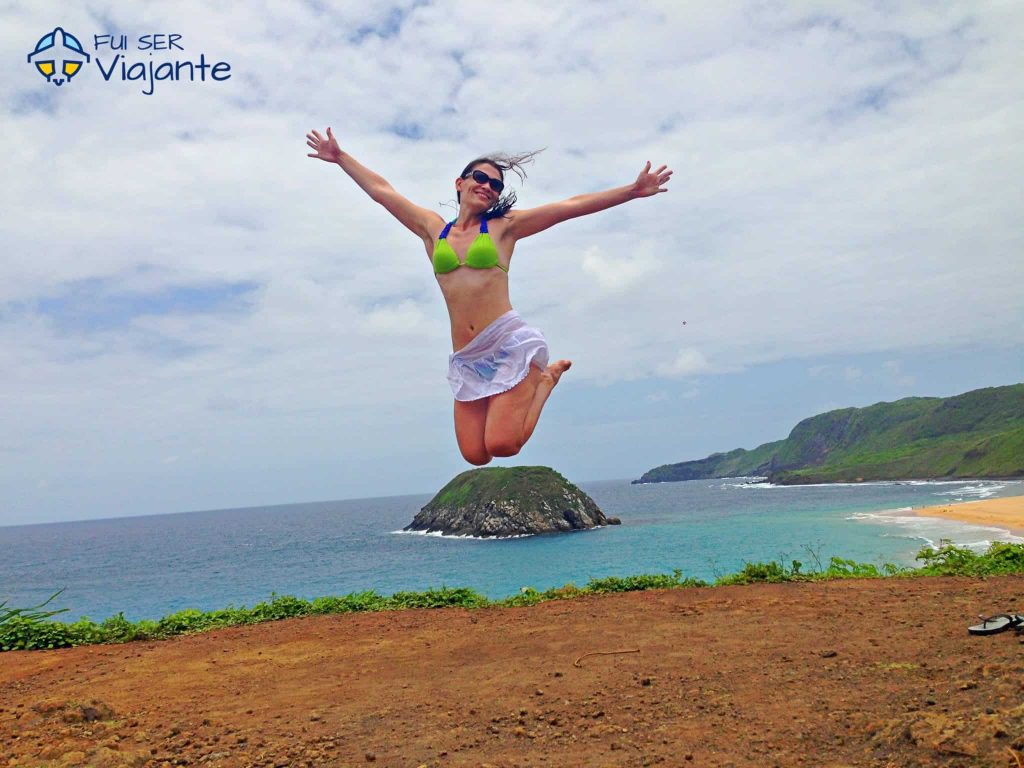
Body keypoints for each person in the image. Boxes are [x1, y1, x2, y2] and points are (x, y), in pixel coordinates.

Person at [306, 127, 672, 465]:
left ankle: (545, 381)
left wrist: (631, 191)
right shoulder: (434, 229)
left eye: (495, 185)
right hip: (467, 356)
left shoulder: (504, 227)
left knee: (503, 446)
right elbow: (384, 193)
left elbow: (569, 207)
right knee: (475, 455)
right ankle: (535, 384)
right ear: (460, 183)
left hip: (507, 342)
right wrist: (341, 158)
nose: (487, 186)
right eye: (480, 178)